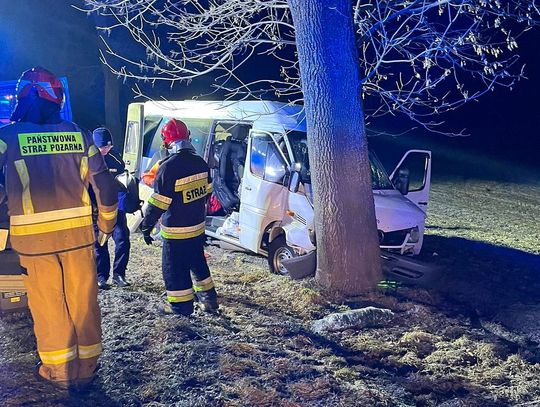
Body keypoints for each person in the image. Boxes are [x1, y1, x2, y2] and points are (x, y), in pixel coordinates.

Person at [0, 67, 118, 389]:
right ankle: (87, 371)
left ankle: (60, 376)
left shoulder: (7, 138)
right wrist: (106, 224)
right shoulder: (78, 134)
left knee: (50, 307)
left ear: (26, 97)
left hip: (34, 246)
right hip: (79, 240)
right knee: (84, 303)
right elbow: (105, 187)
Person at [140, 118, 218, 316]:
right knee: (198, 263)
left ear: (166, 142)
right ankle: (209, 301)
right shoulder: (201, 163)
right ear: (188, 137)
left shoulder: (168, 167)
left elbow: (158, 203)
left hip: (175, 233)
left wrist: (146, 226)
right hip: (197, 228)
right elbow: (207, 193)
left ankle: (181, 309)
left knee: (174, 271)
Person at [92, 127, 131, 289]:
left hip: (116, 209)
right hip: (96, 210)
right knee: (100, 244)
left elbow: (123, 183)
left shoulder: (116, 160)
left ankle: (119, 275)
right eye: (103, 147)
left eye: (108, 146)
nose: (106, 150)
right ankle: (101, 276)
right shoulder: (88, 160)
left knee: (123, 240)